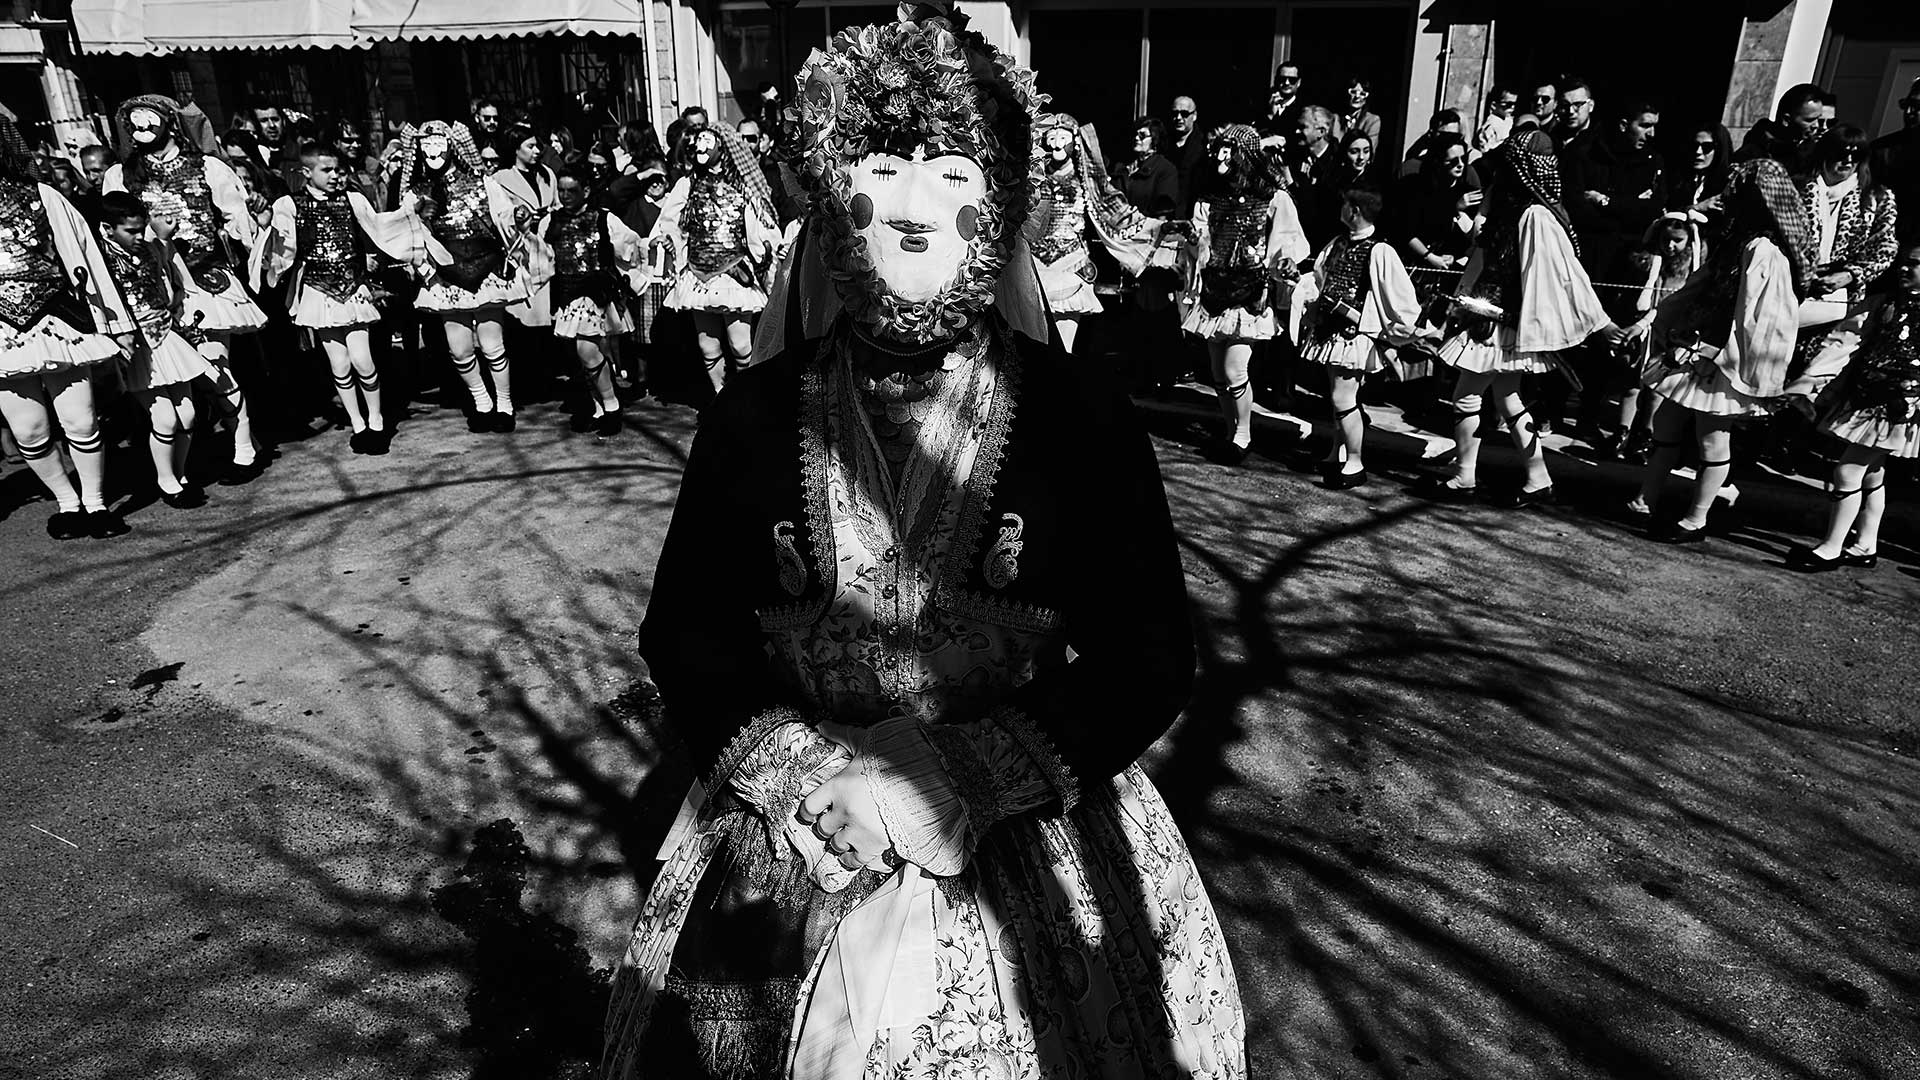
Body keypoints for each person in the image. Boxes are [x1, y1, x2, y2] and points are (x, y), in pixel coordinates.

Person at [603, 6, 1246, 1076]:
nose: (910, 209)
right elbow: (687, 631)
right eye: (881, 170)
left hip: (1020, 828)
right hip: (797, 823)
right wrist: (804, 774)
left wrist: (959, 778)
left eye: (951, 173)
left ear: (997, 204)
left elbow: (1146, 655)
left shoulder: (1079, 414)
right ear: (830, 194)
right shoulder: (754, 414)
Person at [1422, 128, 1621, 506]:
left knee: (1466, 397)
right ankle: (1537, 477)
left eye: (1509, 165)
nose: (1502, 171)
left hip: (1498, 325)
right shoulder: (1511, 207)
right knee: (1508, 398)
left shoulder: (1535, 215)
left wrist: (1600, 322)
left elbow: (1566, 273)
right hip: (1490, 317)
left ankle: (1465, 476)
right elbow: (1482, 248)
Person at [1630, 159, 1812, 542]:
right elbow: (1699, 287)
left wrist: (1719, 353)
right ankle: (1645, 499)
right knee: (1666, 423)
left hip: (1723, 358)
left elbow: (1761, 318)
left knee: (1712, 436)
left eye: (1738, 191)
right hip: (1696, 347)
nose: (1728, 197)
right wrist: (1662, 322)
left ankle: (1696, 519)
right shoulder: (1737, 240)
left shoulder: (1763, 250)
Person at [104, 94, 271, 480]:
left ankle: (244, 448)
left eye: (150, 119)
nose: (142, 128)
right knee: (173, 379)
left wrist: (247, 234)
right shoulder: (120, 175)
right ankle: (183, 464)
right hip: (149, 289)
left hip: (203, 281)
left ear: (168, 121)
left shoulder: (208, 167)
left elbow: (237, 218)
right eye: (134, 122)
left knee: (215, 368)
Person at [0, 119, 138, 540]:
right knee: (28, 430)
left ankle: (95, 503)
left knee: (80, 421)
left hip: (59, 319)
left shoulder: (43, 196)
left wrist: (116, 323)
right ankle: (67, 502)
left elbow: (87, 257)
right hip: (2, 335)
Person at [250, 142, 425, 454]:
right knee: (340, 363)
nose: (335, 176)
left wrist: (409, 212)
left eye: (338, 170)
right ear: (306, 172)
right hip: (318, 290)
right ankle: (357, 423)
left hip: (353, 287)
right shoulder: (290, 205)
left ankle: (376, 420)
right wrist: (266, 226)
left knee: (362, 359)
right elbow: (282, 249)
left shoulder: (352, 199)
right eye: (326, 170)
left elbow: (380, 227)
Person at [1179, 123, 1310, 463]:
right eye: (1219, 151)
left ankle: (1243, 434)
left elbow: (1289, 240)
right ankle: (1230, 430)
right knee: (1218, 374)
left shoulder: (1273, 198)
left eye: (1229, 152)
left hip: (1249, 293)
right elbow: (1202, 243)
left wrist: (1284, 262)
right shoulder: (1210, 199)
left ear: (1246, 156)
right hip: (1214, 291)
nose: (1221, 158)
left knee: (1236, 369)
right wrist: (1193, 240)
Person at [1786, 242, 1920, 570]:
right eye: (1904, 262)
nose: (1905, 268)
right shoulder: (1886, 301)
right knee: (1871, 472)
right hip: (1868, 398)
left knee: (1847, 471)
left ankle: (1831, 548)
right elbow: (1846, 339)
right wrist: (1811, 382)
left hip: (1900, 407)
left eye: (1915, 264)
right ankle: (1865, 545)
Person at [396, 120, 527, 431]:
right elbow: (407, 234)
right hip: (447, 275)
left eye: (438, 144)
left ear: (452, 146)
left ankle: (504, 404)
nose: (432, 151)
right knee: (459, 349)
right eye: (425, 145)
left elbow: (503, 214)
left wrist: (518, 216)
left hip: (486, 268)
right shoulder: (415, 193)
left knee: (492, 345)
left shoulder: (484, 182)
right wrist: (419, 221)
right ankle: (482, 401)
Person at [1297, 184, 1425, 488]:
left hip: (1353, 335)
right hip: (1329, 331)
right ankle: (1337, 453)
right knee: (1337, 397)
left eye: (1344, 205)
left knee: (1343, 397)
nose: (1340, 209)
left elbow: (1400, 296)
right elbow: (1320, 278)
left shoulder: (1380, 250)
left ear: (1354, 211)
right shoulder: (1338, 243)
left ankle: (1355, 462)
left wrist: (1386, 329)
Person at [96, 190, 216, 504]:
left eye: (142, 229)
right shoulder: (99, 258)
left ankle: (181, 473)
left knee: (187, 414)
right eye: (130, 231)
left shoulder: (150, 249)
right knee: (164, 418)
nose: (139, 237)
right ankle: (166, 481)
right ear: (108, 228)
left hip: (165, 333)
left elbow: (166, 281)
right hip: (136, 344)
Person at [649, 124, 777, 395]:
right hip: (699, 274)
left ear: (722, 147)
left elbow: (758, 226)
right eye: (698, 141)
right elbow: (670, 222)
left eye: (707, 140)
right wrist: (670, 242)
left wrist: (764, 252)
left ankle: (745, 396)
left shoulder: (742, 186)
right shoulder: (687, 184)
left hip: (734, 272)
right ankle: (720, 396)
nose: (700, 146)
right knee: (707, 345)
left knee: (741, 344)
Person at [1027, 113, 1161, 352]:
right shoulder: (1035, 178)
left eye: (1062, 137)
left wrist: (1157, 228)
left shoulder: (1086, 181)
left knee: (1063, 347)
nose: (1056, 144)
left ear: (1074, 141)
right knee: (1033, 344)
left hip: (1070, 263)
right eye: (1052, 137)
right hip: (1034, 265)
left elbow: (1115, 211)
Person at [545, 165, 644, 434]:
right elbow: (543, 255)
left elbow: (630, 246)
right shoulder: (552, 221)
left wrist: (624, 275)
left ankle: (611, 405)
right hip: (568, 295)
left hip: (596, 296)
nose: (565, 196)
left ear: (586, 191)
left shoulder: (604, 219)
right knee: (586, 356)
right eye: (561, 190)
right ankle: (598, 407)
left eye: (572, 190)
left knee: (587, 351)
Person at [492, 122, 558, 330]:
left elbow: (558, 203)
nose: (537, 151)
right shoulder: (500, 179)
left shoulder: (547, 174)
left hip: (548, 246)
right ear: (515, 149)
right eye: (530, 146)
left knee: (551, 314)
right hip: (521, 250)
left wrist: (550, 213)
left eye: (537, 146)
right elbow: (498, 216)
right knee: (525, 317)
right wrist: (519, 217)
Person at [1737, 82, 1829, 174]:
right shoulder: (1755, 152)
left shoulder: (1806, 146)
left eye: (1818, 119)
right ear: (1786, 119)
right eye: (1809, 120)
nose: (1816, 125)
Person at [1870, 79, 1920, 246]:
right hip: (1882, 241)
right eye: (1906, 105)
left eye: (1917, 106)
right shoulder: (1881, 149)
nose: (1909, 112)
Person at [1290, 105, 1342, 250]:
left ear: (1321, 132)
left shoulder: (1338, 162)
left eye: (1303, 127)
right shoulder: (1294, 157)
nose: (1297, 131)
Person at [1670, 123, 1732, 222]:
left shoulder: (1728, 183)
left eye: (1707, 147)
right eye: (1694, 146)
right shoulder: (1681, 180)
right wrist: (1697, 207)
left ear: (1719, 150)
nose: (1698, 151)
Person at [1121, 117, 1179, 218]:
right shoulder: (1123, 166)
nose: (1136, 138)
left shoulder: (1165, 170)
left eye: (1142, 135)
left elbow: (1162, 214)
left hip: (1145, 225)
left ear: (1155, 140)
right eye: (1135, 134)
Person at [1168, 94, 1206, 217]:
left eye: (1184, 114)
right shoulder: (1164, 143)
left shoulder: (1203, 146)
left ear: (1194, 116)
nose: (1178, 118)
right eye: (1175, 114)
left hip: (1191, 212)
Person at [1400, 109, 1465, 178]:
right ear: (1431, 134)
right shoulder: (1411, 167)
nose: (1450, 140)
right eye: (1445, 135)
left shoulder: (1464, 170)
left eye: (1456, 136)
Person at [1334, 75, 1383, 149]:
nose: (1357, 96)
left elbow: (1369, 150)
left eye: (1362, 94)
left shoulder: (1372, 120)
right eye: (1353, 92)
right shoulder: (1335, 118)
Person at [1474, 85, 1519, 160]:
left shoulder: (1510, 120)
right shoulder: (1491, 125)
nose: (1512, 107)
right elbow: (1485, 149)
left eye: (1515, 104)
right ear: (1494, 105)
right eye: (1509, 104)